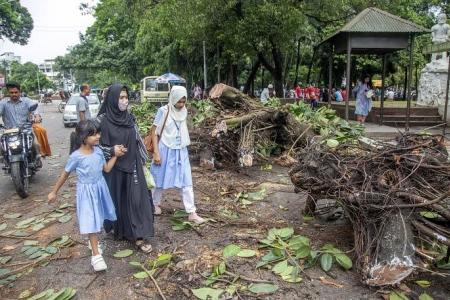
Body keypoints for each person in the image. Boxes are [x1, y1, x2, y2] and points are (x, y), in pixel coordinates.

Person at [48, 120, 123, 271]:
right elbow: (65, 175)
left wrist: (116, 155)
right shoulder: (76, 156)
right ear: (83, 136)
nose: (98, 136)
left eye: (98, 133)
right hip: (86, 193)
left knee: (98, 218)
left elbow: (106, 169)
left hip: (100, 189)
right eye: (93, 134)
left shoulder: (99, 151)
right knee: (91, 221)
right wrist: (54, 191)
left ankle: (92, 242)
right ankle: (96, 256)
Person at [99, 83, 154, 253]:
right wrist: (111, 150)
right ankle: (123, 230)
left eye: (126, 97)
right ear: (112, 99)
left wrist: (144, 160)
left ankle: (139, 236)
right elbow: (93, 146)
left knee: (137, 200)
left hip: (133, 165)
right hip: (114, 168)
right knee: (119, 200)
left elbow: (137, 140)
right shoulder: (102, 121)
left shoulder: (130, 118)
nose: (124, 101)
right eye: (120, 97)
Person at [151, 86, 205, 224]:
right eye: (179, 102)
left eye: (183, 102)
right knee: (158, 179)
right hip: (164, 149)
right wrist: (156, 152)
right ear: (173, 98)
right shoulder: (163, 111)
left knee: (186, 180)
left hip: (181, 150)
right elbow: (153, 132)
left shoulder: (184, 111)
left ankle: (191, 212)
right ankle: (154, 204)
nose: (181, 105)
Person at [0, 82, 51, 157]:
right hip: (9, 131)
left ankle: (37, 159)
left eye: (16, 92)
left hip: (25, 130)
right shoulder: (3, 103)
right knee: (2, 146)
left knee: (34, 145)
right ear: (8, 93)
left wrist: (37, 116)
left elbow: (35, 109)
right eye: (11, 92)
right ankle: (5, 160)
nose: (14, 94)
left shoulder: (26, 101)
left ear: (19, 92)